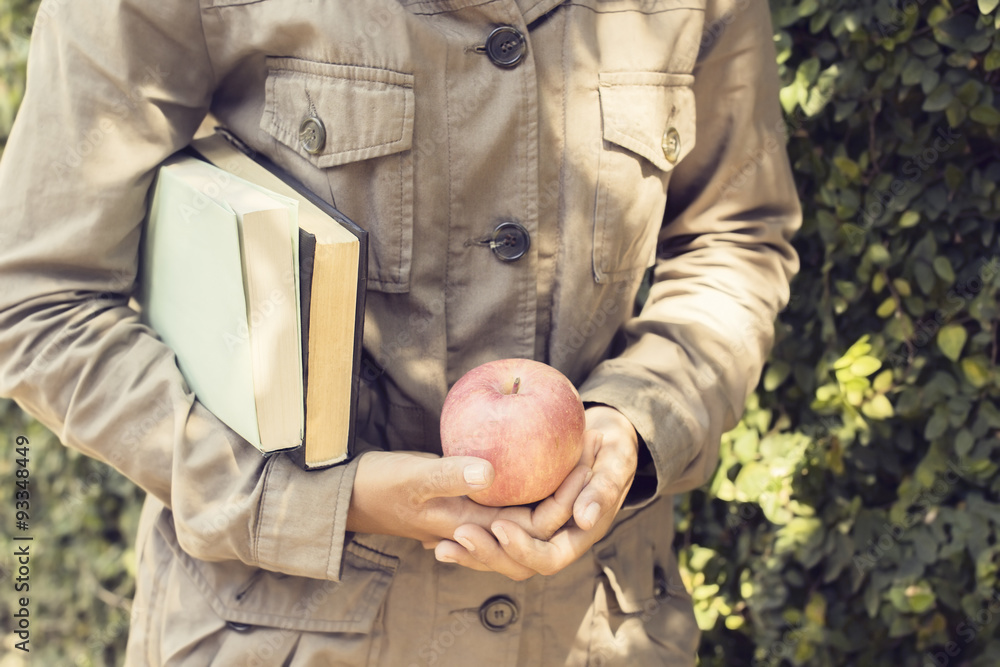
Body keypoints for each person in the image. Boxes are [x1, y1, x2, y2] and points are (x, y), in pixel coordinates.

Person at [0, 0, 801, 664]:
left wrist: (638, 417)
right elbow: (40, 300)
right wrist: (323, 499)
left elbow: (735, 237)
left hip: (595, 628)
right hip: (278, 634)